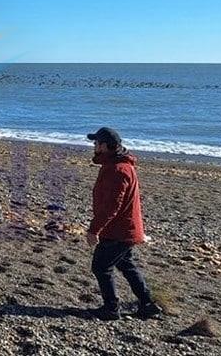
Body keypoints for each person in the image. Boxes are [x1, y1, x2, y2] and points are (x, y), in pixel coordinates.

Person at [85, 127, 162, 321]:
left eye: (96, 143)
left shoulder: (117, 169)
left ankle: (111, 308)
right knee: (126, 265)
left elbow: (113, 205)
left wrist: (94, 229)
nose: (94, 147)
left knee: (101, 267)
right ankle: (147, 304)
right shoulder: (117, 165)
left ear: (104, 146)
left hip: (118, 231)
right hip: (124, 229)